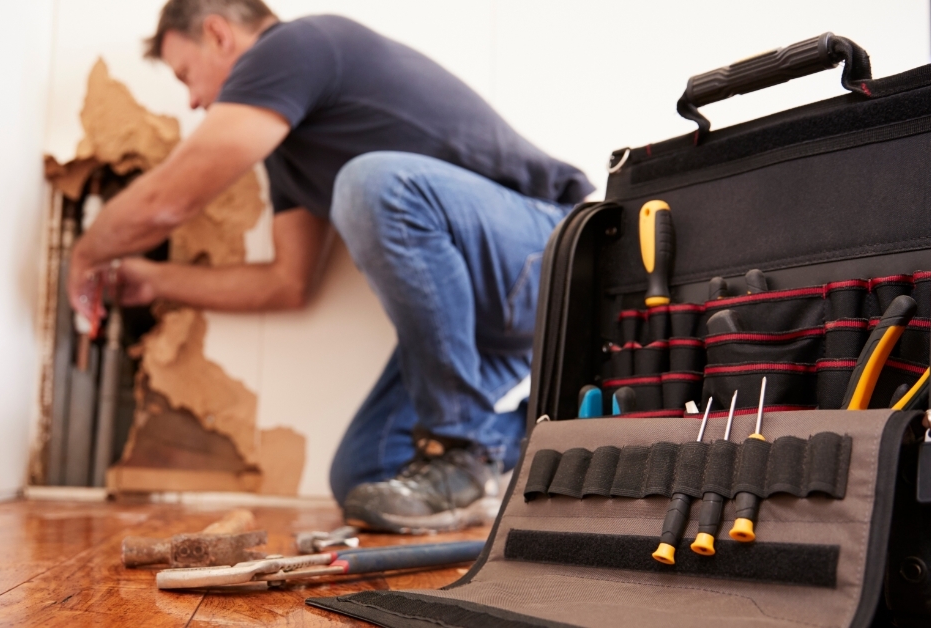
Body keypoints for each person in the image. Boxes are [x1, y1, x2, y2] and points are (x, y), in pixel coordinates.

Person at [67, 0, 594, 533]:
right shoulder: (286, 152)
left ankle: (461, 451)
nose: (194, 100)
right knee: (367, 474)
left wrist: (86, 253)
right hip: (479, 321)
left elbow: (169, 201)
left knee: (371, 185)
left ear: (219, 34)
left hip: (549, 254)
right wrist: (154, 280)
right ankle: (561, 435)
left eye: (187, 75)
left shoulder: (295, 47)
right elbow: (287, 283)